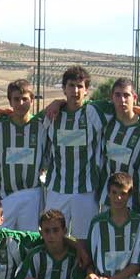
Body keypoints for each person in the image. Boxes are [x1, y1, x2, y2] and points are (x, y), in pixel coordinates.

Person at [42, 66, 106, 239]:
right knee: (52, 238)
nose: (75, 90)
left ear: (86, 90)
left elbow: (126, 109)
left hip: (85, 190)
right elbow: (21, 116)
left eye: (80, 86)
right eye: (71, 86)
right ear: (64, 89)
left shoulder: (94, 112)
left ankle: (85, 267)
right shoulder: (52, 114)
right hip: (57, 188)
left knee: (84, 240)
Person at [0, 79, 47, 231]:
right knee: (4, 241)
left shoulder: (42, 126)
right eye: (16, 99)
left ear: (32, 100)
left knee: (27, 241)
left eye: (25, 99)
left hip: (32, 194)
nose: (21, 103)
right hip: (5, 195)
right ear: (9, 101)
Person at [98, 78, 140, 213]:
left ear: (134, 97)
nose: (122, 100)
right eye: (118, 95)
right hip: (109, 200)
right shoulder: (106, 124)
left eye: (126, 95)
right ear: (112, 98)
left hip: (136, 200)